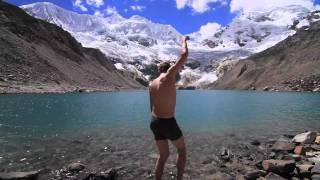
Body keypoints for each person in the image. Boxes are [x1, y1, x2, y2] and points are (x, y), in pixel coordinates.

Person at [149, 36, 189, 180]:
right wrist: (184, 40)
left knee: (163, 156)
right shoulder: (168, 77)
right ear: (169, 69)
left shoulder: (151, 83)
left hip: (155, 122)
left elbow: (151, 106)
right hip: (168, 121)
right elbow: (184, 56)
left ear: (159, 69)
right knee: (182, 150)